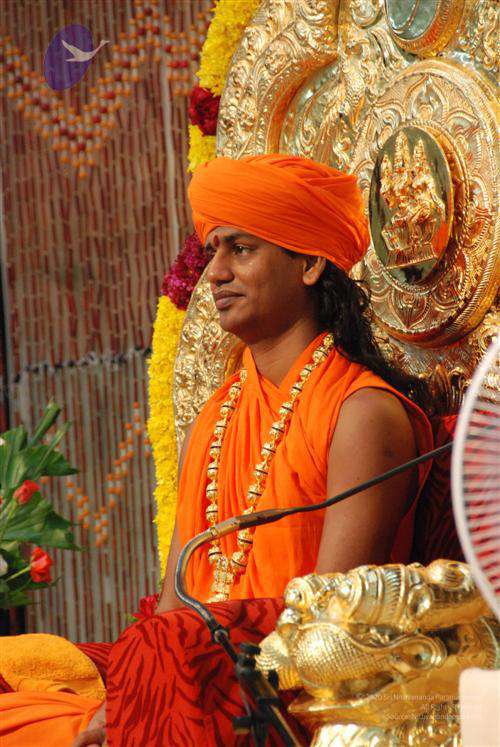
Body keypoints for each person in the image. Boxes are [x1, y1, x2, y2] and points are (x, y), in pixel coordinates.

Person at [1, 154, 433, 746]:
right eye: (212, 251)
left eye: (241, 249)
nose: (215, 273)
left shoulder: (361, 413)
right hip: (188, 669)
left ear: (309, 264)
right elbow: (176, 601)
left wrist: (148, 697)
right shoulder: (217, 415)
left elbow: (330, 618)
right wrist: (137, 696)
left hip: (281, 688)